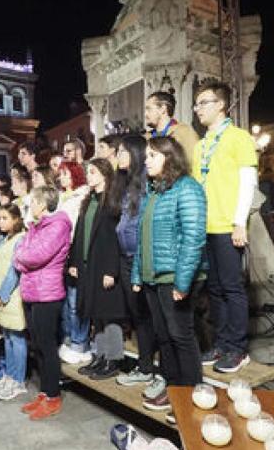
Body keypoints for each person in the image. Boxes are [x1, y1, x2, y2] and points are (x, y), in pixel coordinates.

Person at [132, 137, 207, 414]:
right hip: (154, 277)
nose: (146, 160)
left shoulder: (187, 188)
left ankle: (190, 397)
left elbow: (194, 238)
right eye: (147, 155)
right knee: (164, 336)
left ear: (169, 157)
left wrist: (183, 281)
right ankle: (174, 389)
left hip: (176, 277)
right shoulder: (154, 191)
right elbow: (143, 238)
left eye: (152, 155)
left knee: (181, 336)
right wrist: (138, 274)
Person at [192, 81, 259, 373]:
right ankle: (220, 343)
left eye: (203, 102)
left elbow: (248, 182)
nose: (198, 109)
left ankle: (237, 348)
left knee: (232, 288)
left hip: (228, 225)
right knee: (215, 288)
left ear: (221, 105)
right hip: (205, 227)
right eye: (196, 104)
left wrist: (239, 222)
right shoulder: (200, 145)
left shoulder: (238, 138)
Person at [15, 186, 73, 420]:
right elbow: (20, 255)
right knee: (37, 345)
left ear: (42, 204)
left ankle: (53, 395)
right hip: (31, 293)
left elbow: (35, 256)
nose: (30, 207)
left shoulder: (58, 225)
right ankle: (44, 392)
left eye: (32, 202)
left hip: (47, 295)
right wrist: (22, 258)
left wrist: (22, 257)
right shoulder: (35, 227)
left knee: (47, 347)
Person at [71, 158, 127, 379]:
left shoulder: (112, 202)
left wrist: (111, 271)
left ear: (104, 174)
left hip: (104, 266)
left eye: (93, 172)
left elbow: (115, 239)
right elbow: (79, 234)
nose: (88, 176)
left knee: (109, 316)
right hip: (88, 266)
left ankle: (113, 360)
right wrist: (74, 262)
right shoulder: (89, 200)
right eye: (88, 172)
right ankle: (100, 356)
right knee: (97, 315)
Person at [113, 134, 159, 391]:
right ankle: (145, 367)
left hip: (141, 258)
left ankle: (155, 371)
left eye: (122, 151)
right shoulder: (126, 183)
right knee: (138, 315)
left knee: (150, 316)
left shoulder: (145, 183)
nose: (118, 156)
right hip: (125, 258)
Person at [0, 204, 29, 401]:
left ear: (16, 219)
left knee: (17, 338)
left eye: (5, 218)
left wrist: (1, 296)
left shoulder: (21, 239)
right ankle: (10, 376)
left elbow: (14, 271)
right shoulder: (0, 239)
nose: (0, 221)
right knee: (7, 337)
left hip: (12, 296)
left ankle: (18, 380)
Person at [54, 159, 91, 364]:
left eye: (67, 174)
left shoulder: (82, 196)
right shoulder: (61, 198)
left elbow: (78, 227)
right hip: (61, 253)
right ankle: (69, 338)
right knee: (66, 302)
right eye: (61, 174)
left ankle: (80, 342)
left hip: (75, 251)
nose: (62, 177)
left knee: (76, 301)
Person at [145, 90, 200, 170]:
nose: (145, 114)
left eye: (149, 109)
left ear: (163, 109)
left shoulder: (184, 132)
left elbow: (195, 165)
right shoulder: (146, 137)